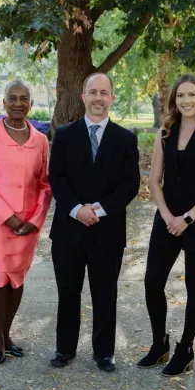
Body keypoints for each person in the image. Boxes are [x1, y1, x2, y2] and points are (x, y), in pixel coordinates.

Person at [49, 73, 140, 371]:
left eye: (104, 92)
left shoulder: (126, 139)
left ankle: (104, 352)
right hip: (68, 229)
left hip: (108, 231)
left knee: (105, 294)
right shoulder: (63, 135)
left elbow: (129, 185)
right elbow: (56, 178)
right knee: (68, 293)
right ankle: (64, 349)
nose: (98, 98)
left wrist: (97, 210)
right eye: (93, 92)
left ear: (112, 97)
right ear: (83, 97)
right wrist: (77, 209)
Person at [137, 74, 195, 376]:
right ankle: (159, 343)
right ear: (173, 100)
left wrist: (188, 217)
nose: (186, 101)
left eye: (192, 95)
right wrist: (166, 215)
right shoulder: (167, 131)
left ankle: (185, 348)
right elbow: (154, 179)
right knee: (152, 282)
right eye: (180, 96)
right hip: (167, 217)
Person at [0, 80, 52, 364]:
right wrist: (8, 216)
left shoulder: (41, 140)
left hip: (28, 224)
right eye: (12, 98)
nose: (18, 103)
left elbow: (45, 184)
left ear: (31, 103)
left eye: (24, 98)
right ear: (3, 102)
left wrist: (36, 219)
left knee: (17, 280)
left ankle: (7, 334)